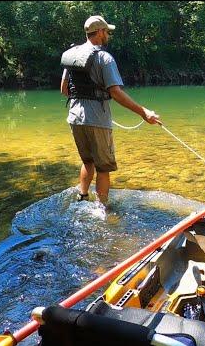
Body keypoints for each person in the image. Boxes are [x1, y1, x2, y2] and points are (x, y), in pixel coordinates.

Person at [60, 15, 161, 205]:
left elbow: (64, 89)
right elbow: (116, 93)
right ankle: (102, 209)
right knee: (103, 167)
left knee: (87, 161)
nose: (108, 35)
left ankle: (82, 196)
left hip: (74, 118)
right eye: (106, 31)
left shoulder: (71, 55)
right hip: (97, 120)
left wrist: (83, 100)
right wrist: (144, 112)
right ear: (99, 32)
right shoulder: (104, 58)